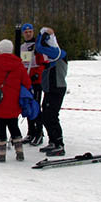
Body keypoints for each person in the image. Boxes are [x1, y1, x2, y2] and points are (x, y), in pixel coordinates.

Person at [34, 27, 68, 156]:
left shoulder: (59, 53)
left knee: (52, 116)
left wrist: (43, 35)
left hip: (57, 88)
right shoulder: (51, 58)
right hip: (49, 89)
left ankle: (59, 144)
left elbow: (40, 48)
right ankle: (53, 141)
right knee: (46, 116)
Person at [14, 23, 45, 145]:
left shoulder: (38, 46)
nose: (28, 34)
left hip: (36, 81)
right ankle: (31, 132)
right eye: (26, 32)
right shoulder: (22, 47)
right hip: (25, 81)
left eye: (30, 31)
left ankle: (39, 133)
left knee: (36, 107)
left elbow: (43, 63)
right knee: (27, 105)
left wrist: (38, 74)